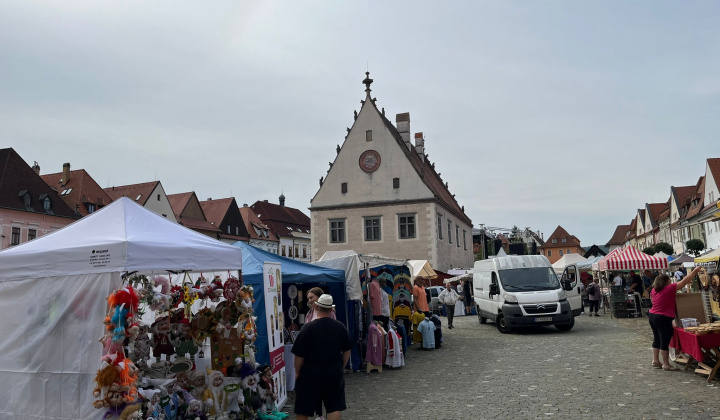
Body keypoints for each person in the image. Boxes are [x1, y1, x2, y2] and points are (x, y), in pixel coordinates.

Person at [292, 294, 352, 420]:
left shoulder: (308, 328)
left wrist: (297, 372)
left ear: (317, 307)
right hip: (333, 370)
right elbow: (347, 350)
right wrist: (341, 366)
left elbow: (299, 355)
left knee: (303, 408)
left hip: (310, 371)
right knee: (334, 407)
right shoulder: (340, 326)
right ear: (331, 310)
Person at [648, 266, 703, 371]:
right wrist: (695, 271)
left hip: (652, 315)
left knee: (657, 338)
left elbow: (653, 302)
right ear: (667, 281)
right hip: (663, 317)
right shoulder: (669, 288)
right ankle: (665, 364)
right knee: (664, 340)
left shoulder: (654, 290)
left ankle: (655, 360)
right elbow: (685, 281)